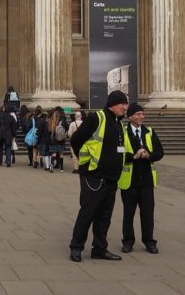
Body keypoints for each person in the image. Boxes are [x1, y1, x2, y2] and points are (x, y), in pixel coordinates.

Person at [68, 90, 129, 262]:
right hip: (94, 176)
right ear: (112, 104)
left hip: (111, 178)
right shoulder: (97, 118)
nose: (125, 107)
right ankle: (76, 247)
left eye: (125, 104)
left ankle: (100, 248)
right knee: (87, 212)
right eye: (122, 104)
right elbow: (76, 139)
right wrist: (85, 162)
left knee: (105, 216)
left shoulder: (119, 123)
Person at [119, 103, 164, 254]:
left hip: (146, 181)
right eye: (138, 114)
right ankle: (128, 241)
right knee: (128, 213)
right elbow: (118, 153)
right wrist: (134, 156)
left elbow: (160, 152)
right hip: (129, 181)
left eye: (142, 114)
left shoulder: (149, 132)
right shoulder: (122, 132)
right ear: (130, 116)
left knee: (147, 213)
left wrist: (148, 155)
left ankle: (149, 241)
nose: (141, 117)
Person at [49, 107, 69, 172]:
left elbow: (49, 130)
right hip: (61, 139)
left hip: (53, 139)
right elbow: (67, 127)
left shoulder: (52, 121)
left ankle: (51, 165)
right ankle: (62, 168)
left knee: (54, 153)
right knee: (61, 153)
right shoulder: (62, 121)